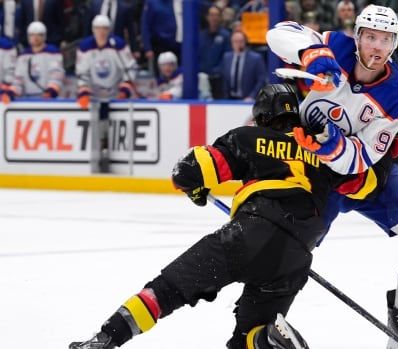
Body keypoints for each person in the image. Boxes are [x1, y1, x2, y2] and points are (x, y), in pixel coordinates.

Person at [68, 83, 342, 349]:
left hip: (251, 235)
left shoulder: (249, 137)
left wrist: (196, 187)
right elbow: (362, 185)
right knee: (247, 339)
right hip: (297, 256)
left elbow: (190, 169)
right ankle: (267, 340)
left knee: (167, 290)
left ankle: (105, 339)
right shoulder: (325, 154)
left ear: (262, 116)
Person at [267, 5, 398, 348]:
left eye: (385, 40)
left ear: (394, 45)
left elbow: (364, 154)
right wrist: (313, 54)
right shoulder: (335, 46)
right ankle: (268, 321)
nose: (377, 47)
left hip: (361, 174)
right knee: (289, 249)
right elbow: (277, 34)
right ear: (358, 36)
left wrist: (332, 145)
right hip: (309, 171)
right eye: (370, 37)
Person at [76, 14, 137, 173]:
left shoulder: (119, 45)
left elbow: (130, 68)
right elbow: (81, 72)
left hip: (116, 97)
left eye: (104, 28)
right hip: (94, 98)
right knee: (96, 130)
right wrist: (83, 90)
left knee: (116, 130)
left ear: (109, 30)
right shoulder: (85, 46)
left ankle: (115, 160)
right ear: (93, 29)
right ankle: (98, 158)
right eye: (98, 28)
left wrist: (124, 89)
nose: (101, 32)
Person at [8, 21, 64, 99]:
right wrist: (12, 92)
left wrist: (51, 91)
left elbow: (56, 76)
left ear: (44, 36)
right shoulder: (23, 56)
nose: (35, 37)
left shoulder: (53, 53)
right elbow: (18, 80)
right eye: (32, 35)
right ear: (28, 36)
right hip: (28, 100)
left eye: (39, 34)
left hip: (49, 100)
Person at [222, 31, 267, 101]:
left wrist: (252, 96)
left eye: (241, 41)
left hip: (248, 99)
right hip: (230, 99)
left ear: (245, 42)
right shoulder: (226, 57)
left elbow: (261, 80)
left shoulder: (256, 58)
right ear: (231, 43)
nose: (238, 44)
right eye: (235, 41)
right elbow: (224, 80)